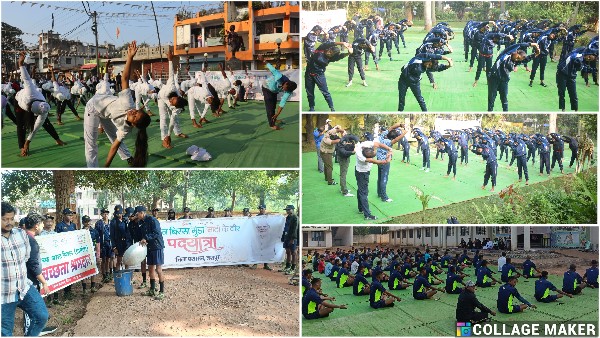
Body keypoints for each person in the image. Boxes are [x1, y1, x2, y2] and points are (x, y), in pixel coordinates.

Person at [84, 41, 151, 167]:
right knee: (91, 143)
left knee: (114, 137)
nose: (133, 112)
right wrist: (130, 57)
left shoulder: (125, 129)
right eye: (136, 112)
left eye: (135, 116)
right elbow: (125, 78)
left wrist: (107, 166)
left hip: (105, 114)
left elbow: (114, 147)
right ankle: (92, 168)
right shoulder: (128, 103)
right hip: (93, 107)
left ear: (134, 125)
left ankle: (126, 156)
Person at [1, 202, 49, 336]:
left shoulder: (21, 235)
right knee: (5, 332)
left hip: (24, 287)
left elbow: (27, 257)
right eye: (4, 219)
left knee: (41, 316)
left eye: (11, 219)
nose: (9, 222)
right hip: (4, 294)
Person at [13, 52, 64, 157]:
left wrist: (28, 142)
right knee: (21, 125)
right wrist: (20, 64)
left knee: (46, 123)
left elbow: (35, 129)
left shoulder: (44, 108)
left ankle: (57, 139)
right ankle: (21, 147)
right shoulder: (29, 92)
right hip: (18, 102)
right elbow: (26, 78)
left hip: (33, 107)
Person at [487, 42, 539, 111]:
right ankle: (490, 112)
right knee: (491, 99)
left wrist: (535, 54)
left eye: (518, 60)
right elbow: (519, 45)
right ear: (516, 52)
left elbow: (525, 60)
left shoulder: (515, 61)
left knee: (504, 99)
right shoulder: (505, 54)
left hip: (504, 81)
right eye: (517, 57)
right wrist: (532, 44)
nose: (516, 59)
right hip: (494, 79)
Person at [305, 41, 351, 112]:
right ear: (329, 49)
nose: (329, 53)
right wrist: (342, 43)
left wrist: (349, 53)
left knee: (325, 92)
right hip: (309, 74)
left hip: (319, 75)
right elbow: (329, 43)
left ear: (333, 55)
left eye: (331, 54)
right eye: (329, 51)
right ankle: (311, 107)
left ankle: (332, 108)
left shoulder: (331, 58)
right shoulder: (321, 49)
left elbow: (340, 56)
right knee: (310, 93)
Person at [355, 137, 392, 220]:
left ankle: (360, 208)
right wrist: (389, 156)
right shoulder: (362, 157)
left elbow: (378, 144)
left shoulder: (365, 144)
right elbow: (384, 162)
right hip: (362, 173)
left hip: (360, 171)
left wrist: (389, 148)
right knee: (364, 192)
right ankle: (367, 215)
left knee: (360, 190)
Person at [258, 57, 297, 130]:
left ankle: (274, 118)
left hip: (274, 91)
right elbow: (271, 68)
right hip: (266, 88)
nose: (284, 90)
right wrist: (264, 60)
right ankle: (272, 125)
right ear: (286, 83)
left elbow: (282, 103)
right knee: (270, 107)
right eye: (285, 88)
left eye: (286, 90)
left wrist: (277, 114)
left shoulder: (288, 91)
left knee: (274, 105)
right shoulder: (279, 76)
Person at [137, 206, 166, 300]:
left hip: (157, 247)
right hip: (149, 247)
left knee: (158, 269)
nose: (136, 216)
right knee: (150, 268)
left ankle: (162, 292)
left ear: (142, 213)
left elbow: (156, 233)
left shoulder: (152, 220)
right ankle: (152, 289)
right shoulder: (141, 223)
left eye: (137, 214)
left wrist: (146, 238)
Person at [556, 48, 597, 112]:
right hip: (562, 73)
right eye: (589, 57)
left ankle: (576, 110)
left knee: (573, 94)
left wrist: (588, 69)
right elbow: (576, 60)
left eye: (590, 59)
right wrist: (583, 67)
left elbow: (580, 67)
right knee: (561, 93)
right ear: (588, 54)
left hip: (571, 76)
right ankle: (563, 109)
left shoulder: (583, 59)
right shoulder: (578, 56)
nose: (588, 59)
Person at [376, 123, 408, 202]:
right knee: (384, 179)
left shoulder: (381, 136)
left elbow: (391, 127)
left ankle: (379, 193)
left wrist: (400, 125)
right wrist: (405, 132)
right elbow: (397, 139)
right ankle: (384, 197)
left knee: (380, 177)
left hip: (378, 161)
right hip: (385, 162)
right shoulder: (388, 142)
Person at [55, 208, 77, 299]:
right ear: (64, 215)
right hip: (63, 253)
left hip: (72, 252)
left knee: (71, 271)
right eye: (68, 215)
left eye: (71, 215)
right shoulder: (59, 226)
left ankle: (69, 291)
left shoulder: (74, 225)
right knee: (65, 271)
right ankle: (64, 291)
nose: (70, 217)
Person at [337, 133, 360, 197]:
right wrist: (352, 152)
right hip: (343, 158)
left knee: (343, 173)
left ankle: (342, 188)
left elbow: (354, 140)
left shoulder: (347, 138)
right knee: (343, 174)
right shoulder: (342, 142)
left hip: (345, 158)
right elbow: (343, 152)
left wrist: (354, 144)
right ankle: (344, 191)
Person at [81, 215, 100, 294]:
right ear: (83, 222)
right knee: (83, 270)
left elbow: (97, 243)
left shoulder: (94, 231)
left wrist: (98, 255)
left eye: (88, 221)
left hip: (92, 253)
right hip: (83, 253)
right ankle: (84, 288)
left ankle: (93, 286)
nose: (87, 223)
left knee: (93, 269)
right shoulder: (79, 232)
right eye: (85, 221)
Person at [111, 207, 132, 271]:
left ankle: (127, 276)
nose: (119, 215)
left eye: (120, 213)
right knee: (119, 261)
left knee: (127, 260)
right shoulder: (113, 222)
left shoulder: (125, 221)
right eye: (118, 214)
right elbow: (112, 235)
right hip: (119, 243)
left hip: (126, 243)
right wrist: (114, 247)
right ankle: (118, 277)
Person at [281, 205, 298, 275]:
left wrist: (293, 239)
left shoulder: (295, 217)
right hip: (286, 236)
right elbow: (285, 227)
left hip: (292, 237)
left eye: (289, 209)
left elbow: (295, 229)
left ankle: (293, 268)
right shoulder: (288, 217)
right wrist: (283, 237)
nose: (287, 211)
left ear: (293, 210)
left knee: (293, 252)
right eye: (286, 210)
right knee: (287, 251)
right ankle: (287, 266)